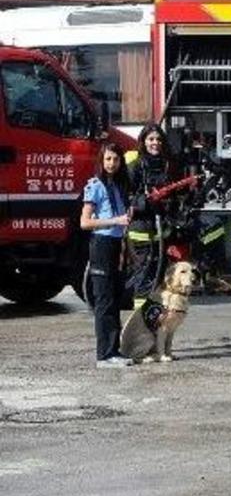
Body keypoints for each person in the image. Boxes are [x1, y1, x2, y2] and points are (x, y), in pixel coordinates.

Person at [80, 143, 133, 368]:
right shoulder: (95, 186)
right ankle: (105, 354)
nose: (112, 164)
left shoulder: (118, 186)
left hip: (116, 244)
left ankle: (115, 350)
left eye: (116, 160)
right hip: (101, 244)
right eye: (108, 159)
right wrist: (115, 221)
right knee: (104, 299)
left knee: (115, 297)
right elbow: (85, 222)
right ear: (102, 161)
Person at [126, 123, 183, 311]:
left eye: (158, 139)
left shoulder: (168, 166)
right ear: (143, 141)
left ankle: (154, 314)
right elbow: (126, 196)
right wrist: (144, 201)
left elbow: (175, 196)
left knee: (158, 277)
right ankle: (140, 315)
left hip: (161, 230)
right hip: (141, 230)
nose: (155, 143)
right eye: (151, 139)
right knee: (143, 275)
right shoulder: (135, 166)